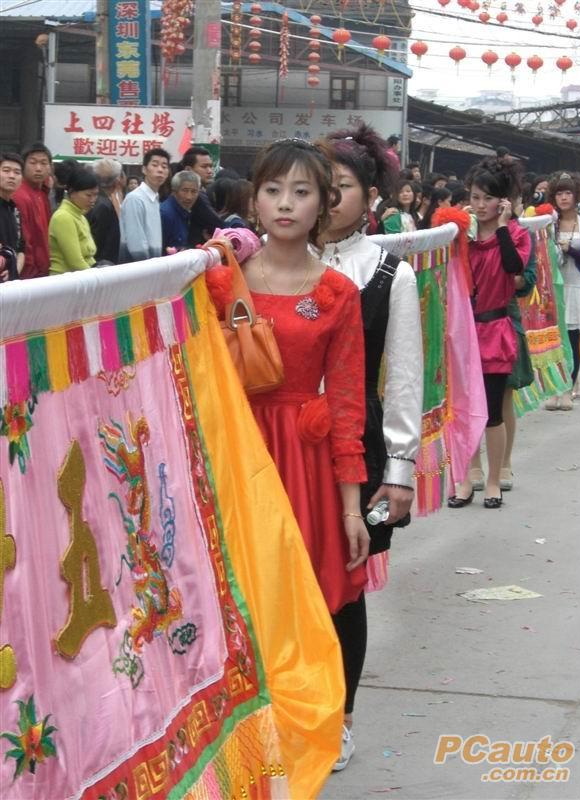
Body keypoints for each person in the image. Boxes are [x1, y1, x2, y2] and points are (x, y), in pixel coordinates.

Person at [207, 138, 371, 768]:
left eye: (302, 192)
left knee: (306, 594)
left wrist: (351, 507)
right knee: (244, 591)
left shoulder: (336, 293)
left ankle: (312, 721)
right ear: (254, 199)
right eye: (273, 190)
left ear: (324, 205)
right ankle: (250, 725)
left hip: (304, 461)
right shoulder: (217, 281)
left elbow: (350, 402)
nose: (285, 203)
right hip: (236, 452)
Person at [321, 124, 423, 770]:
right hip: (281, 444)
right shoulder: (263, 261)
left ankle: (341, 715)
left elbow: (405, 375)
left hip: (357, 445)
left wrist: (402, 468)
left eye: (339, 189)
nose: (323, 200)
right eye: (312, 187)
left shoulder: (390, 272)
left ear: (370, 197)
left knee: (345, 588)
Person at [448, 157, 531, 509]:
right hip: (464, 331)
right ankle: (465, 479)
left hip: (496, 329)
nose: (481, 205)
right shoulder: (459, 233)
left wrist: (502, 226)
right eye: (476, 197)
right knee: (464, 410)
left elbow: (515, 269)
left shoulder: (515, 234)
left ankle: (494, 480)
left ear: (503, 201)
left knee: (493, 410)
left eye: (488, 198)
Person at [544, 171, 580, 410]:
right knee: (551, 342)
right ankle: (552, 390)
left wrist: (570, 250)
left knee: (572, 342)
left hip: (575, 287)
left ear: (577, 196)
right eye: (559, 193)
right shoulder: (548, 222)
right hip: (553, 288)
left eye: (568, 193)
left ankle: (568, 389)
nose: (564, 197)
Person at [120, 148, 170, 262]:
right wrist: (150, 271)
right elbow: (136, 244)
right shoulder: (135, 199)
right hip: (138, 269)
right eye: (155, 165)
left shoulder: (155, 198)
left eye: (164, 166)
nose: (160, 170)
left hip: (150, 267)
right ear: (144, 169)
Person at [49, 164, 99, 274]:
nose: (93, 200)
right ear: (72, 193)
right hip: (65, 281)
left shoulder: (81, 216)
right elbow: (75, 262)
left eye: (96, 195)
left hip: (82, 278)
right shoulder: (63, 217)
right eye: (88, 195)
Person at [13, 142, 52, 278]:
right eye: (33, 163)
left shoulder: (42, 194)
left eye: (43, 163)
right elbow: (25, 240)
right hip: (30, 273)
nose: (38, 168)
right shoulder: (20, 195)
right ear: (23, 166)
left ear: (50, 168)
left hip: (42, 269)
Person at [88, 158, 123, 265]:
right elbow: (101, 243)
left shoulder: (95, 200)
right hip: (103, 265)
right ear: (116, 181)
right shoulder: (104, 206)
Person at [160, 170, 200, 251]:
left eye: (194, 191)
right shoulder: (165, 214)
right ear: (175, 191)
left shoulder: (185, 211)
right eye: (185, 191)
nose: (189, 197)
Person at [0, 152, 25, 281]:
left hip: (10, 283)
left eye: (17, 172)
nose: (11, 176)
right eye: (6, 170)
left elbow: (21, 248)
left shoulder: (14, 209)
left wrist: (14, 270)